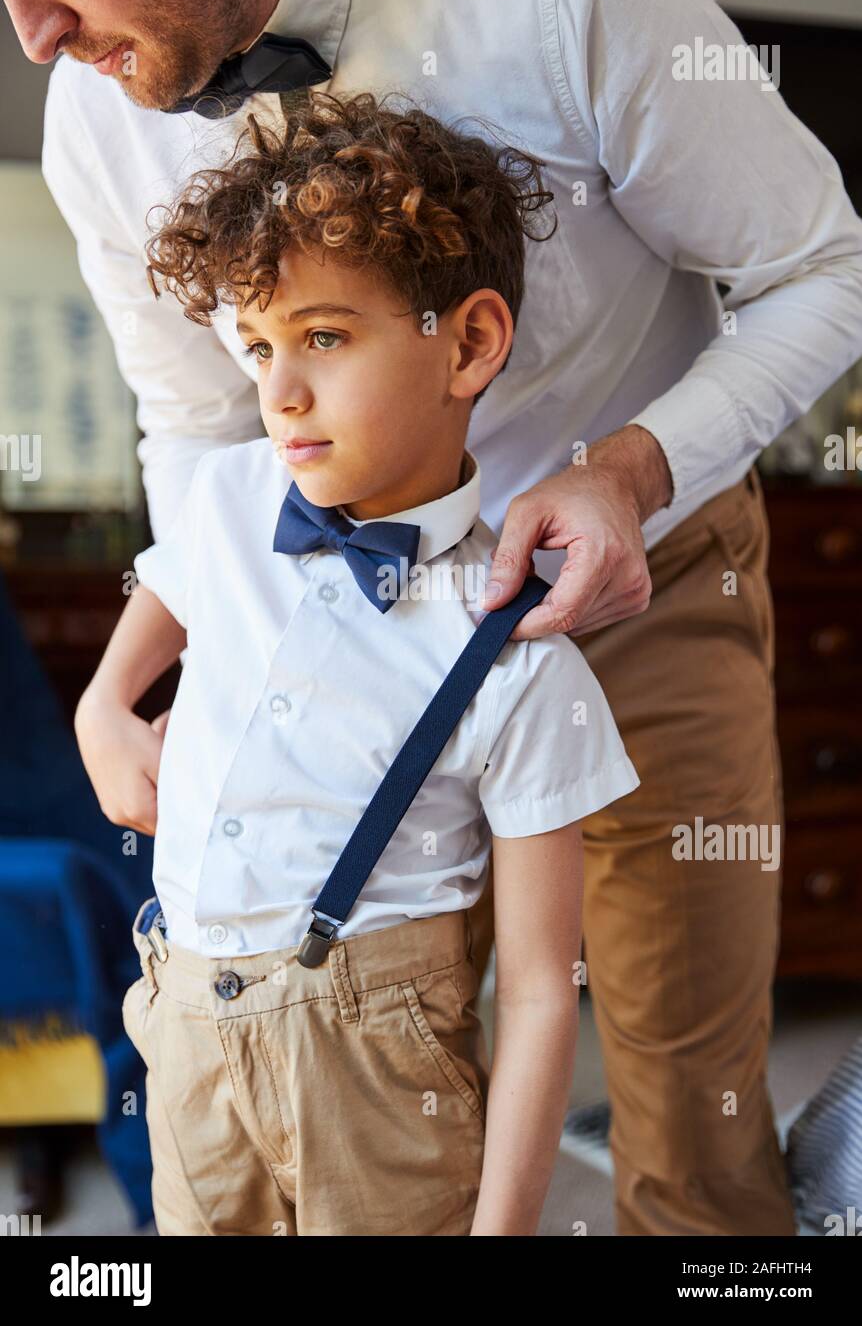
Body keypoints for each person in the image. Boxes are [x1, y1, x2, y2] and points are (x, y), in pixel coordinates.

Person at [5, 0, 862, 1233]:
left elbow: (827, 265)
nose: (29, 30)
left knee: (692, 1132)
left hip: (635, 576)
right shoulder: (95, 114)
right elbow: (194, 426)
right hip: (330, 619)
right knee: (359, 1080)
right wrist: (182, 666)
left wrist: (630, 473)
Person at [73, 90, 641, 1235]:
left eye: (323, 338)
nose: (279, 391)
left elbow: (537, 995)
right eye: (259, 346)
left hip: (379, 1083)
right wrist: (101, 715)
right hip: (182, 1033)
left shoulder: (518, 660)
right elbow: (134, 650)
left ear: (466, 343)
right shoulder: (232, 498)